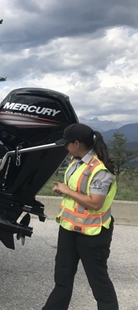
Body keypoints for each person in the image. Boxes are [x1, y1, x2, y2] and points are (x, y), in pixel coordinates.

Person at [42, 123, 118, 310]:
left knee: (98, 282)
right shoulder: (76, 162)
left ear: (77, 143)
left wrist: (67, 190)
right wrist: (65, 190)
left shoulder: (100, 170)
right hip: (69, 229)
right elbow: (78, 191)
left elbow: (95, 203)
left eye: (67, 144)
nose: (65, 147)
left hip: (93, 233)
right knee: (62, 279)